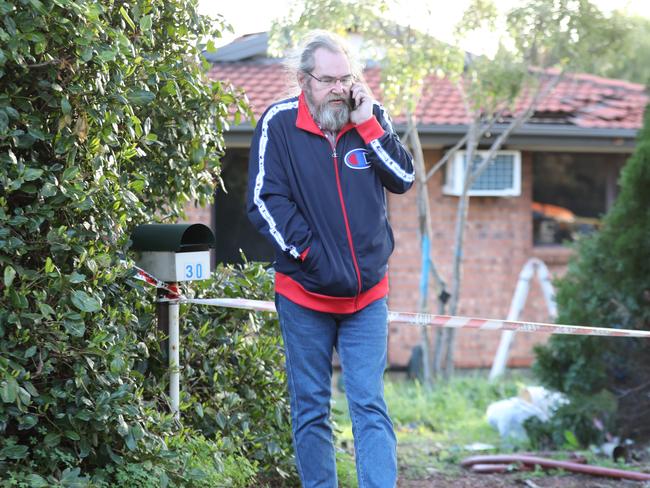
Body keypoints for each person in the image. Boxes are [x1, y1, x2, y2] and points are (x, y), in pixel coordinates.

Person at [247, 30, 414, 488]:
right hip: (305, 295)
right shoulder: (279, 124)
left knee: (369, 404)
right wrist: (311, 255)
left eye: (347, 78)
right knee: (311, 409)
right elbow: (265, 200)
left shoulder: (368, 118)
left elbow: (402, 178)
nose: (339, 88)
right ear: (305, 80)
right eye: (329, 80)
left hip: (367, 297)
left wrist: (369, 123)